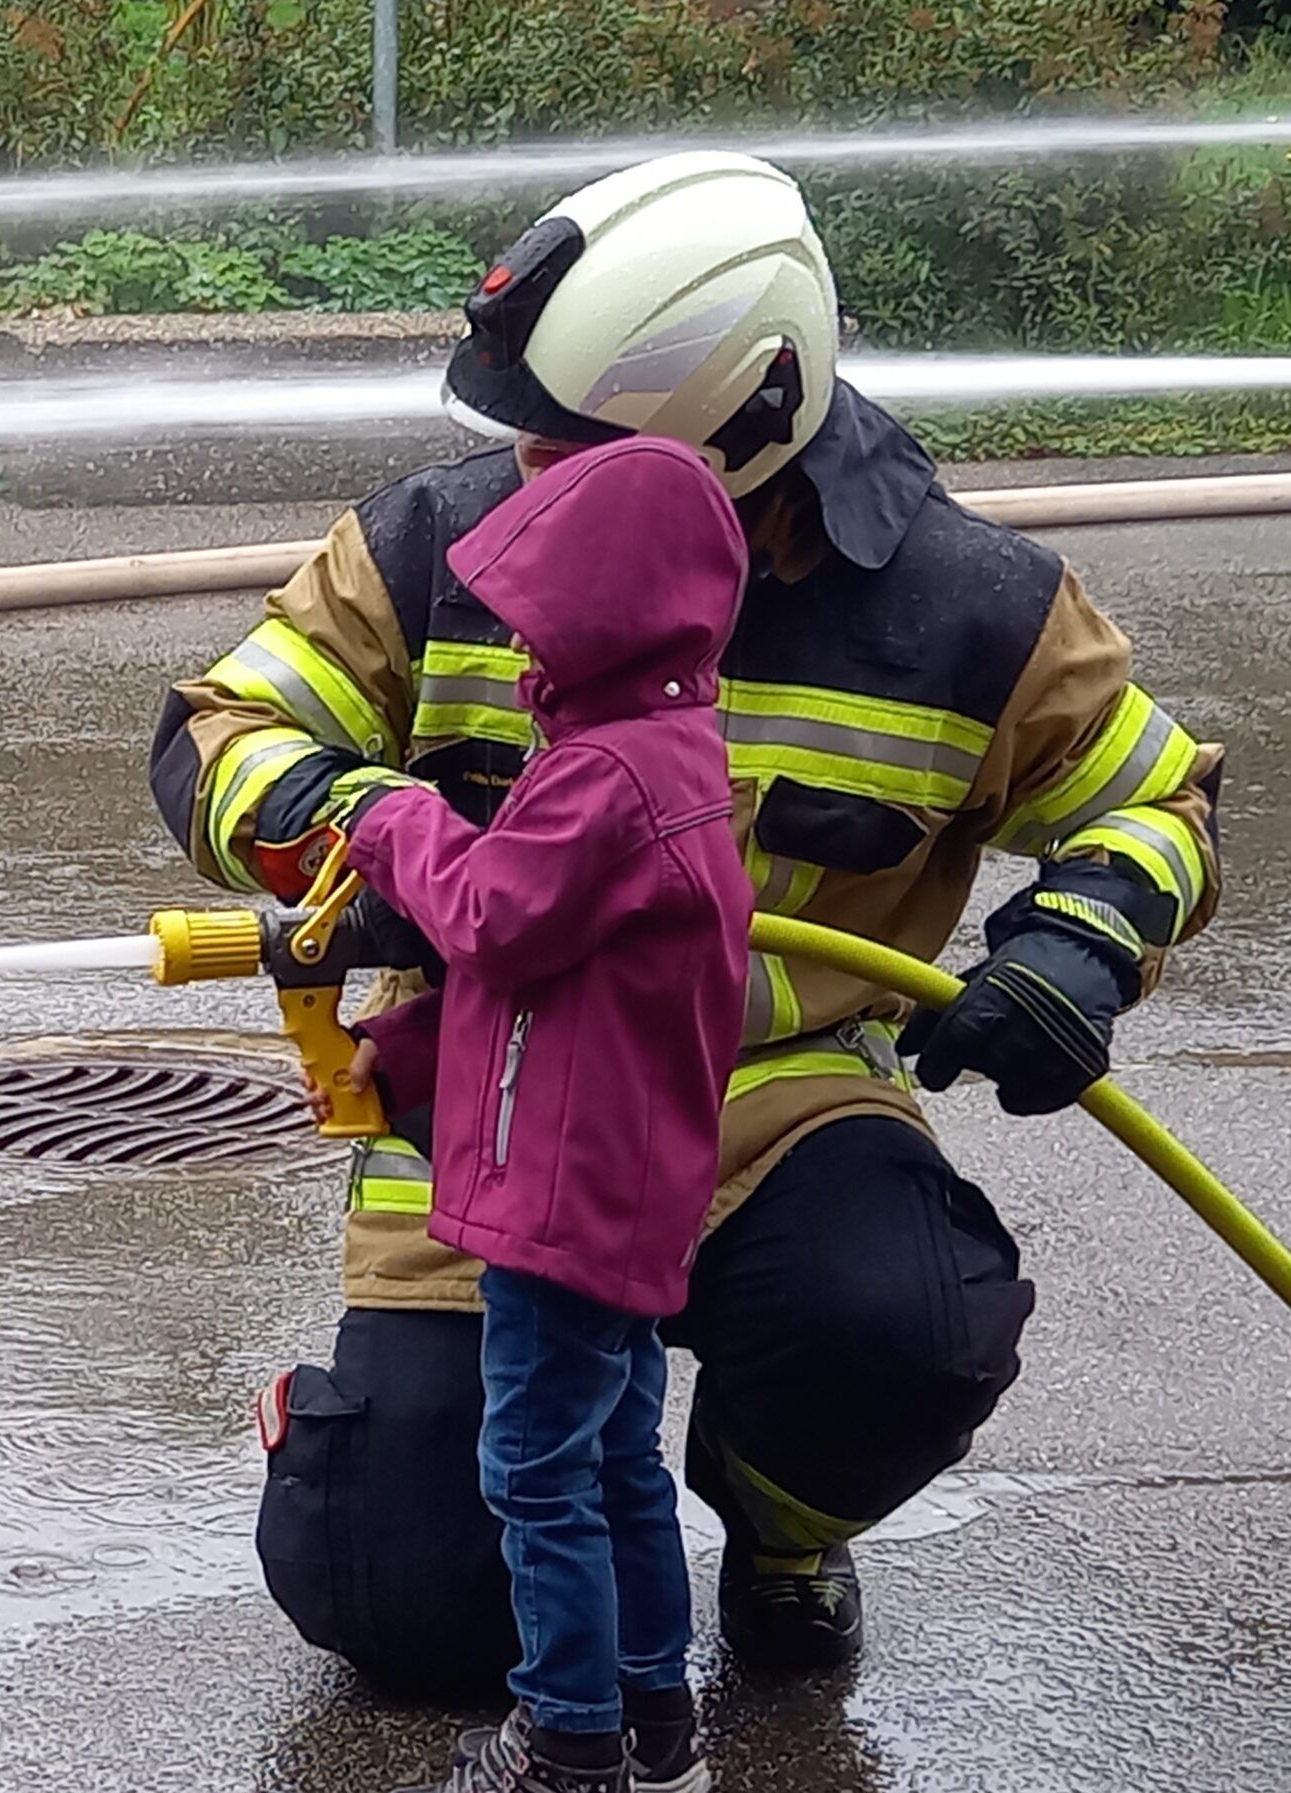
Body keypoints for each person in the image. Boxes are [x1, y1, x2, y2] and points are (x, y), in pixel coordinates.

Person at [157, 150, 1223, 1695]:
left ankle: (782, 1528)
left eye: (563, 444)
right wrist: (361, 841)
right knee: (410, 1609)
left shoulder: (971, 609)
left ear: (728, 429)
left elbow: (1160, 802)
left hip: (769, 1095)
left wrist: (1082, 941)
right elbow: (219, 730)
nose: (519, 470)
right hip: (498, 1104)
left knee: (901, 1334)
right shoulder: (430, 548)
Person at [315, 436, 753, 1793]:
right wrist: (424, 1058)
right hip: (628, 1184)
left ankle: (569, 1758)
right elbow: (562, 993)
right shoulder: (675, 756)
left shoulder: (602, 783)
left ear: (609, 627)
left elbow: (495, 914)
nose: (516, 658)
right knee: (618, 1452)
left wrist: (396, 819)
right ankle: (653, 1723)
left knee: (535, 1469)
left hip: (561, 1203)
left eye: (541, 629)